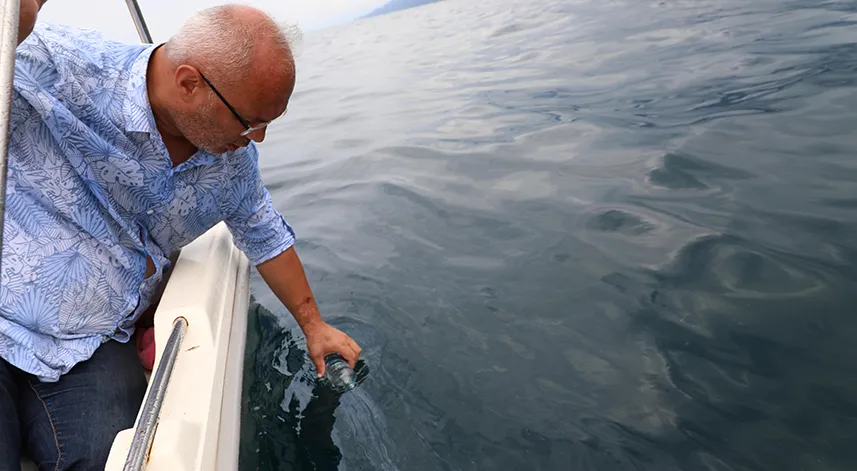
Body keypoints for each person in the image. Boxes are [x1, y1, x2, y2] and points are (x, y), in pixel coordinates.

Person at [0, 1, 362, 468]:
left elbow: (265, 234)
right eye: (250, 121)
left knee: (106, 458)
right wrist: (20, 16)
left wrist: (314, 326)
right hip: (6, 313)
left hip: (94, 341)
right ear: (189, 82)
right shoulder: (58, 63)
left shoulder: (232, 161)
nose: (258, 138)